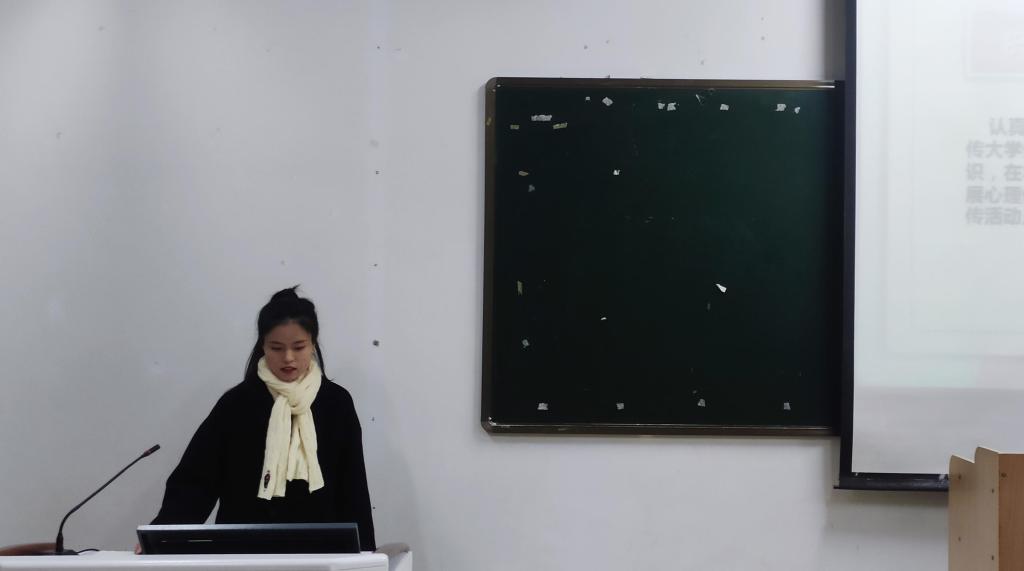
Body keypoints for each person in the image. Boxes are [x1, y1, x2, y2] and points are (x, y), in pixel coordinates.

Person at [149, 287, 375, 551]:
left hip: (320, 552)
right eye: (276, 348)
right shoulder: (237, 404)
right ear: (263, 346)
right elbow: (196, 480)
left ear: (313, 344)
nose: (288, 358)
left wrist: (365, 554)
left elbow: (353, 487)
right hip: (244, 551)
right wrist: (162, 536)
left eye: (299, 347)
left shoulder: (336, 403)